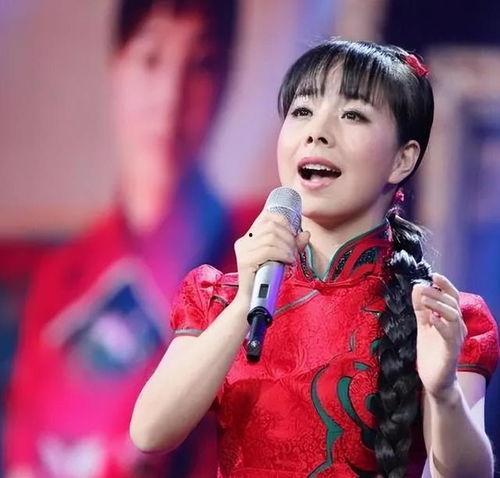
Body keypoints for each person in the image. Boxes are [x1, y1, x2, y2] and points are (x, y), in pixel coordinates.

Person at [129, 39, 499, 478]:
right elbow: (150, 433)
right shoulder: (218, 298)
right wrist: (245, 301)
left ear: (402, 160)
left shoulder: (437, 318)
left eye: (352, 115)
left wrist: (444, 392)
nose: (317, 132)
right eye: (302, 111)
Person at [4, 0, 238, 477]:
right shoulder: (60, 278)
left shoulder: (253, 262)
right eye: (150, 60)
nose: (170, 96)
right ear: (117, 68)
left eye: (201, 64)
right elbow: (24, 452)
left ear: (225, 81)